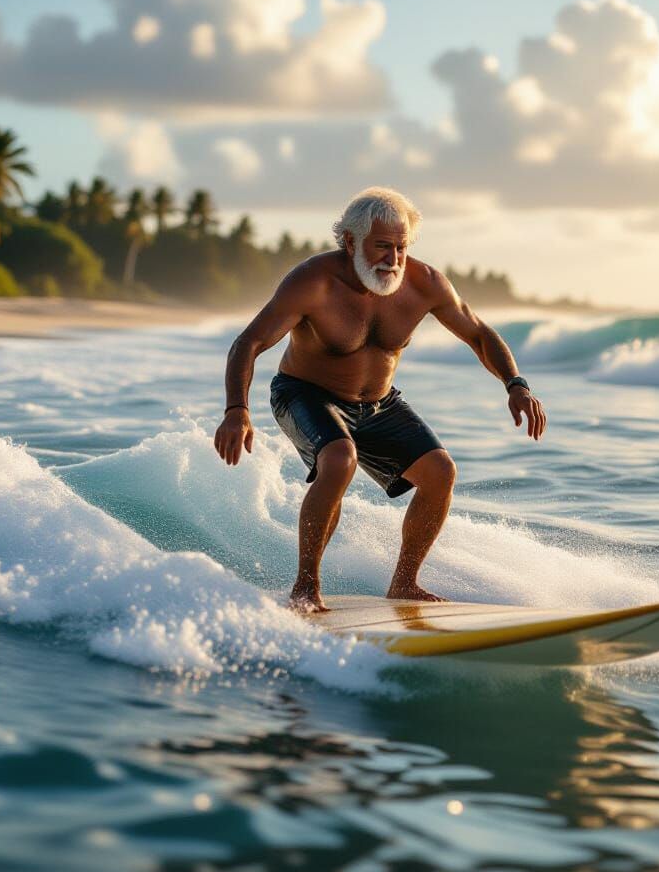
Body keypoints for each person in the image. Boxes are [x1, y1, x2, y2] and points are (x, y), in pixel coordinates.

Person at [214, 186, 547, 613]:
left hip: (378, 403)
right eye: (382, 247)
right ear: (350, 241)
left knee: (440, 472)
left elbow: (478, 333)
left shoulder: (425, 284)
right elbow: (249, 342)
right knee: (339, 459)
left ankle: (404, 583)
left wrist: (515, 384)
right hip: (304, 394)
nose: (393, 259)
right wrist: (236, 411)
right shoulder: (314, 282)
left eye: (402, 247)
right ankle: (305, 587)